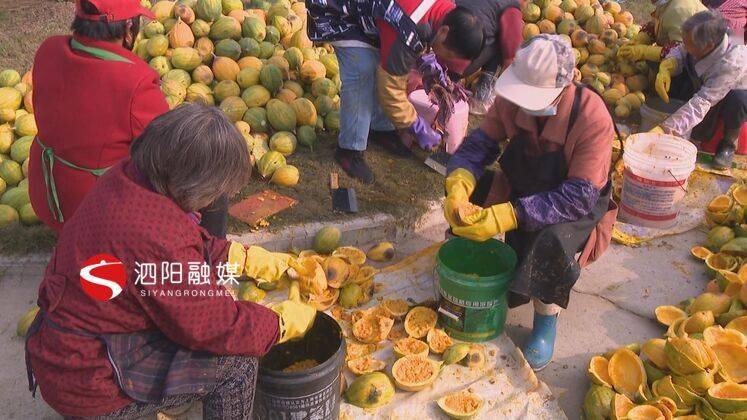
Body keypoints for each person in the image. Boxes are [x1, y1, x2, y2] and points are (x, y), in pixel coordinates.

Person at [25, 104, 316, 419]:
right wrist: (278, 324)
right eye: (216, 193)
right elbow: (216, 326)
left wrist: (240, 257)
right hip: (87, 377)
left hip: (68, 342)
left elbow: (180, 243)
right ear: (193, 185)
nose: (214, 201)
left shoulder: (128, 177)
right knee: (238, 366)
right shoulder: (155, 238)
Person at [444, 35, 618, 371]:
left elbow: (577, 197)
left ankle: (546, 319)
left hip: (573, 204)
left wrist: (508, 215)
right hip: (524, 184)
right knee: (474, 193)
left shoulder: (592, 117)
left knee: (549, 241)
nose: (524, 104)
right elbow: (479, 146)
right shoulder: (511, 100)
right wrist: (459, 181)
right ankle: (474, 276)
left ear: (563, 87)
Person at [27, 0, 168, 234]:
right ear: (128, 31)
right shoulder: (137, 83)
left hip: (47, 193)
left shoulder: (48, 50)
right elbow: (166, 150)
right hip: (94, 208)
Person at [307, 0, 485, 183]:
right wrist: (415, 124)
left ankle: (381, 129)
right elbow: (391, 90)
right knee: (362, 70)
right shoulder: (408, 25)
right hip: (338, 11)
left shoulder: (443, 11)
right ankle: (349, 150)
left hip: (373, 14)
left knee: (384, 63)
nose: (444, 59)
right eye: (448, 55)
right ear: (444, 31)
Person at [651, 10, 746, 169]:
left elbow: (703, 101)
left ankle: (728, 144)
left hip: (738, 87)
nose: (685, 45)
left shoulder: (732, 61)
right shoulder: (706, 36)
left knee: (738, 100)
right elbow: (682, 48)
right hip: (707, 77)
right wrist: (669, 64)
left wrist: (665, 129)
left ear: (708, 46)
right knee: (681, 76)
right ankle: (686, 130)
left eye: (690, 45)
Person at [617, 0, 706, 62]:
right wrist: (640, 39)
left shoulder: (679, 10)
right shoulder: (667, 3)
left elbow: (679, 52)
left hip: (696, 64)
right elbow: (659, 22)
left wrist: (643, 51)